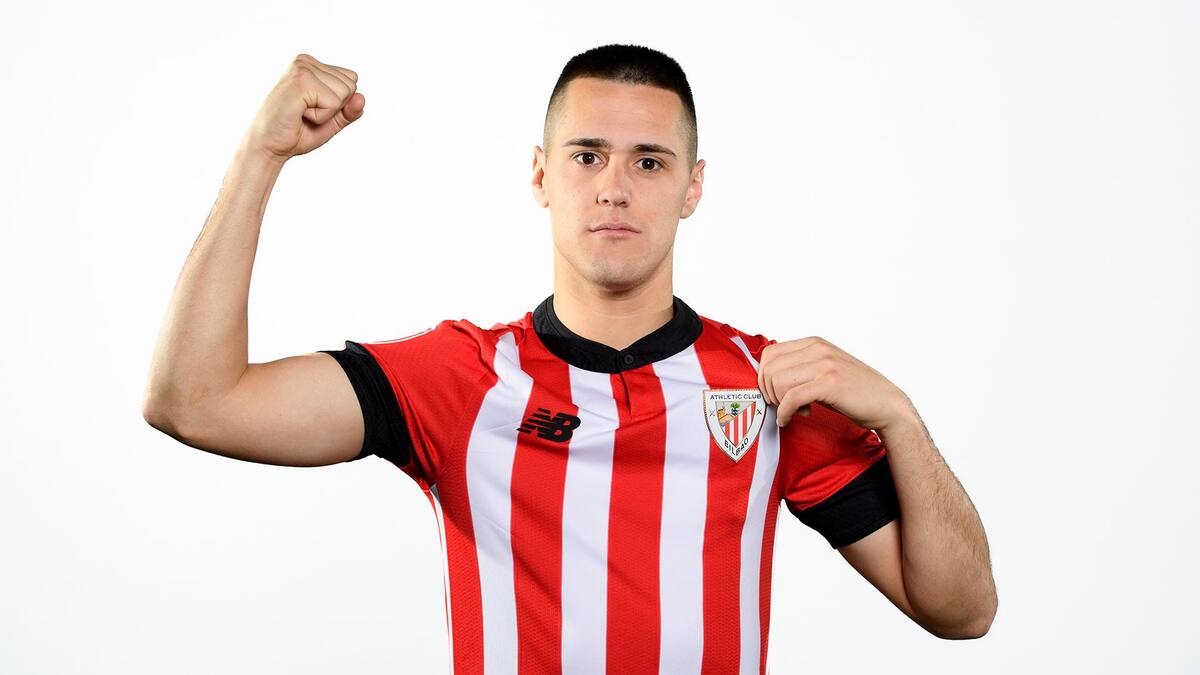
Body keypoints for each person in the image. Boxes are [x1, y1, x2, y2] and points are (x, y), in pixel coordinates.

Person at [142, 44, 997, 674]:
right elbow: (195, 402)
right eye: (588, 156)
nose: (614, 187)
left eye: (649, 161)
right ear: (542, 175)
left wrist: (902, 419)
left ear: (693, 187)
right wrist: (260, 156)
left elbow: (962, 610)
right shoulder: (460, 379)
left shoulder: (767, 387)